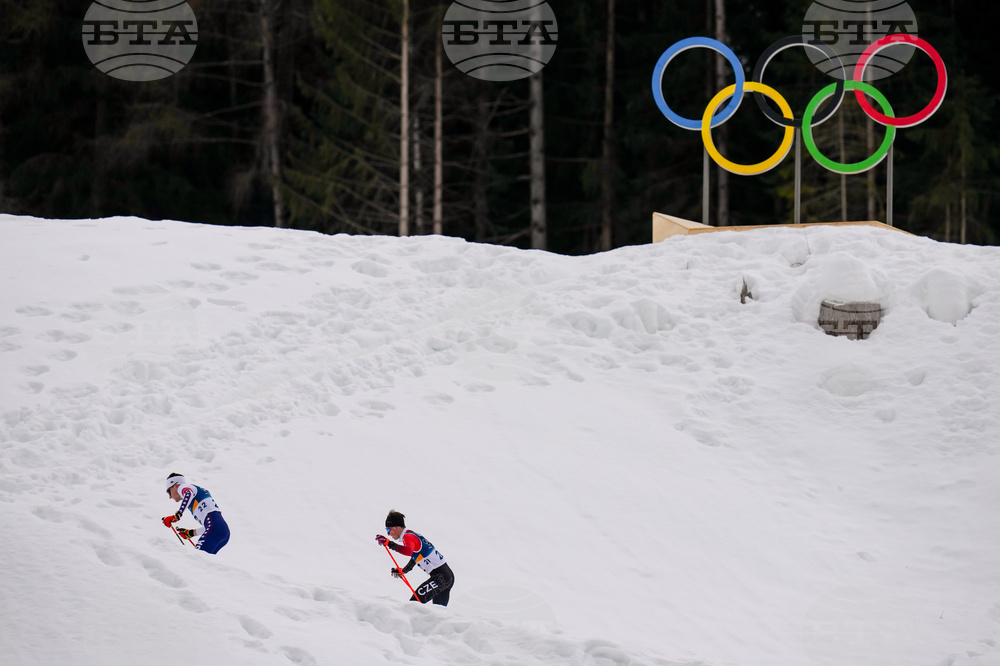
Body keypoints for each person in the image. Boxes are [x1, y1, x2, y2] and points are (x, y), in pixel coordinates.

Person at [375, 510, 454, 606]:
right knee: (437, 613)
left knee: (413, 606)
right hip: (446, 577)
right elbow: (416, 557)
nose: (388, 534)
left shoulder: (408, 537)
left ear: (396, 527)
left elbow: (408, 551)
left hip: (440, 578)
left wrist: (389, 543)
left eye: (388, 530)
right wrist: (403, 571)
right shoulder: (412, 535)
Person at [162, 473, 230, 554]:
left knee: (196, 559)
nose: (170, 496)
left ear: (175, 485)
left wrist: (177, 515)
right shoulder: (194, 491)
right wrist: (191, 533)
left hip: (215, 527)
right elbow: (211, 525)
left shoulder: (181, 487)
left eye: (169, 492)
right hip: (223, 531)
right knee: (203, 562)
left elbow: (188, 494)